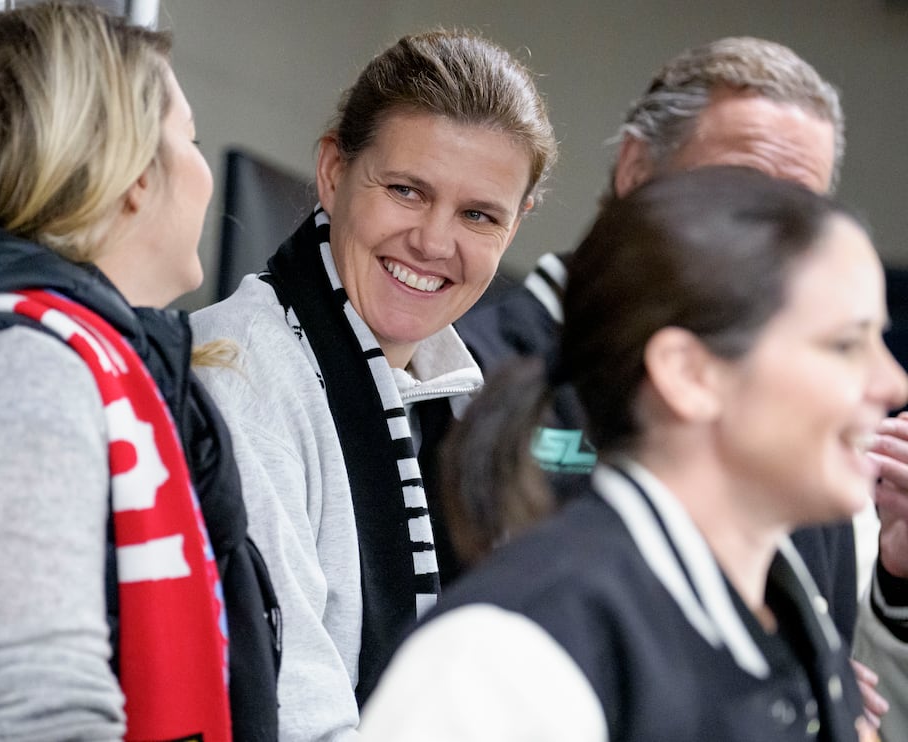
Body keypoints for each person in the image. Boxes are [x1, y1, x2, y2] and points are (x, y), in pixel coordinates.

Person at [0, 4, 277, 741]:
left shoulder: (100, 366)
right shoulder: (24, 372)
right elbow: (39, 717)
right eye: (189, 140)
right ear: (136, 175)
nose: (203, 170)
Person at [362, 166, 903, 742]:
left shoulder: (798, 631)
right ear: (690, 375)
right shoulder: (512, 656)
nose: (893, 382)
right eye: (845, 344)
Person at [191, 29, 555, 740]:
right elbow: (292, 709)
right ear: (332, 171)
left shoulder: (469, 412)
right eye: (407, 191)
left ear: (515, 228)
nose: (433, 242)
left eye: (478, 215)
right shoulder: (236, 372)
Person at [455, 34, 869, 644]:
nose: (767, 239)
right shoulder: (464, 372)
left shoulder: (813, 449)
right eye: (738, 186)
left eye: (796, 212)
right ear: (636, 169)